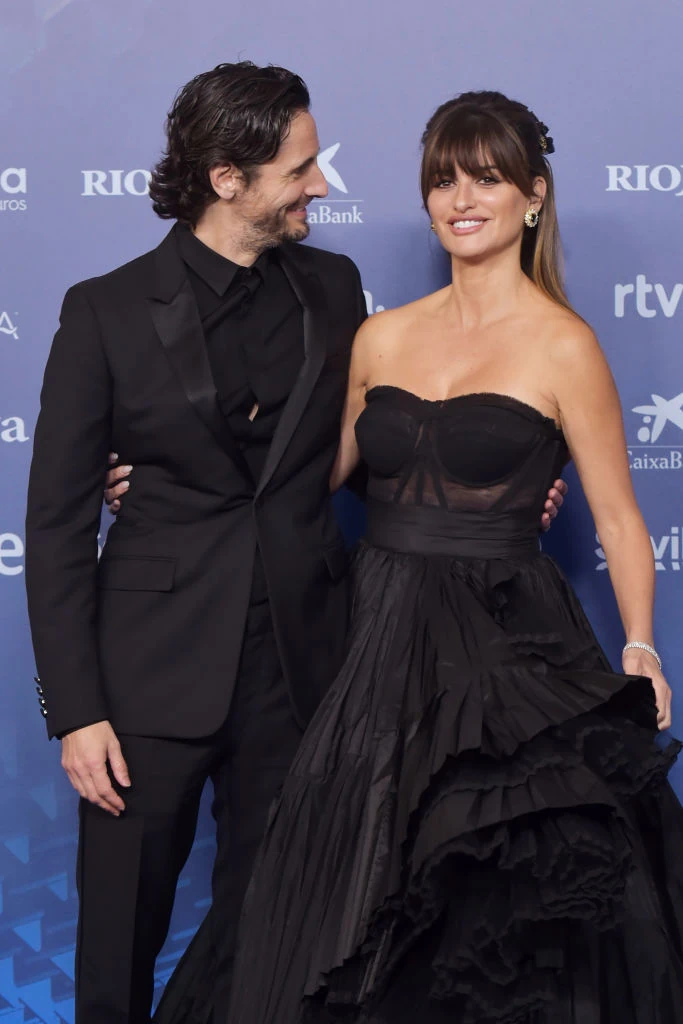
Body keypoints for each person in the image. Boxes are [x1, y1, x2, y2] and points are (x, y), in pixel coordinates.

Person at [158, 91, 683, 1023]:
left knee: (490, 881)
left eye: (484, 178)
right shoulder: (381, 334)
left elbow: (616, 517)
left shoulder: (565, 345)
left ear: (532, 195)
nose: (459, 200)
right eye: (442, 180)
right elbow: (305, 479)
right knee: (344, 873)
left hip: (504, 642)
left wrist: (640, 644)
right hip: (370, 632)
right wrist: (163, 476)